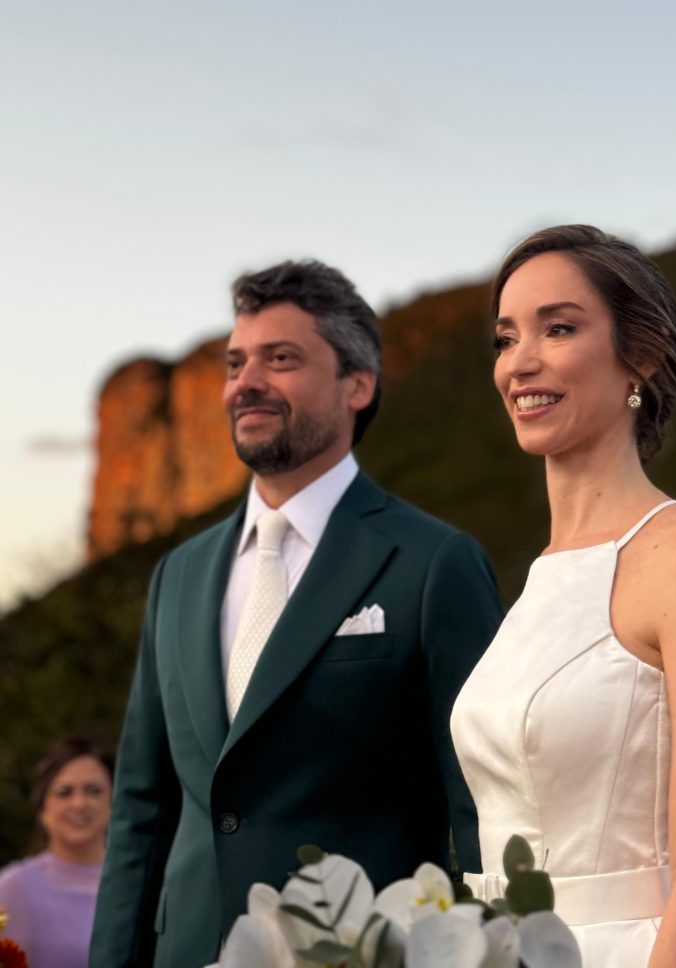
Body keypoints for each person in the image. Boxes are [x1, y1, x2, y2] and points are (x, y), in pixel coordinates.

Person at [90, 259, 503, 968]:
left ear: (357, 384)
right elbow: (141, 810)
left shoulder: (435, 563)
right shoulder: (177, 575)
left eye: (281, 359)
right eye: (235, 362)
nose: (245, 382)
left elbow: (480, 808)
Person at [451, 224, 676, 968]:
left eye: (558, 328)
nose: (520, 363)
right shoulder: (536, 583)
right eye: (505, 338)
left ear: (643, 356)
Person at [0, 737, 113, 968]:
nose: (79, 803)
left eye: (93, 790)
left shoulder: (140, 884)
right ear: (43, 807)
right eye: (64, 792)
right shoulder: (14, 887)